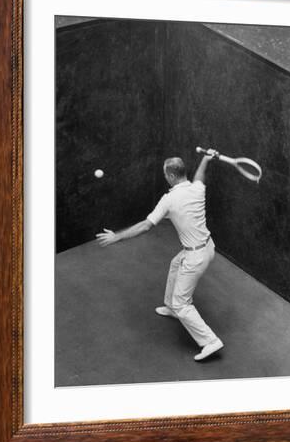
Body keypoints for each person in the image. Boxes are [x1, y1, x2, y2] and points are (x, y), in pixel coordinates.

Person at [96, 153, 224, 361]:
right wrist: (206, 159)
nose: (165, 177)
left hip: (195, 257)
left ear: (172, 176)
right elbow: (200, 176)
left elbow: (146, 225)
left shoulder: (169, 199)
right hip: (208, 247)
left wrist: (116, 237)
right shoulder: (196, 188)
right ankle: (171, 307)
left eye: (166, 174)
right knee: (175, 264)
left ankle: (209, 341)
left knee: (183, 304)